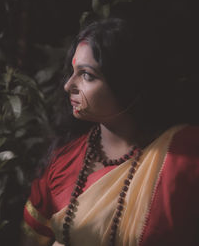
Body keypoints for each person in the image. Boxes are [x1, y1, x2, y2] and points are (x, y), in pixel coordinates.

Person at [20, 18, 199, 246]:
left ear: (127, 84)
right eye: (72, 72)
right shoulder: (62, 162)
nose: (68, 85)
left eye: (86, 75)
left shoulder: (186, 155)